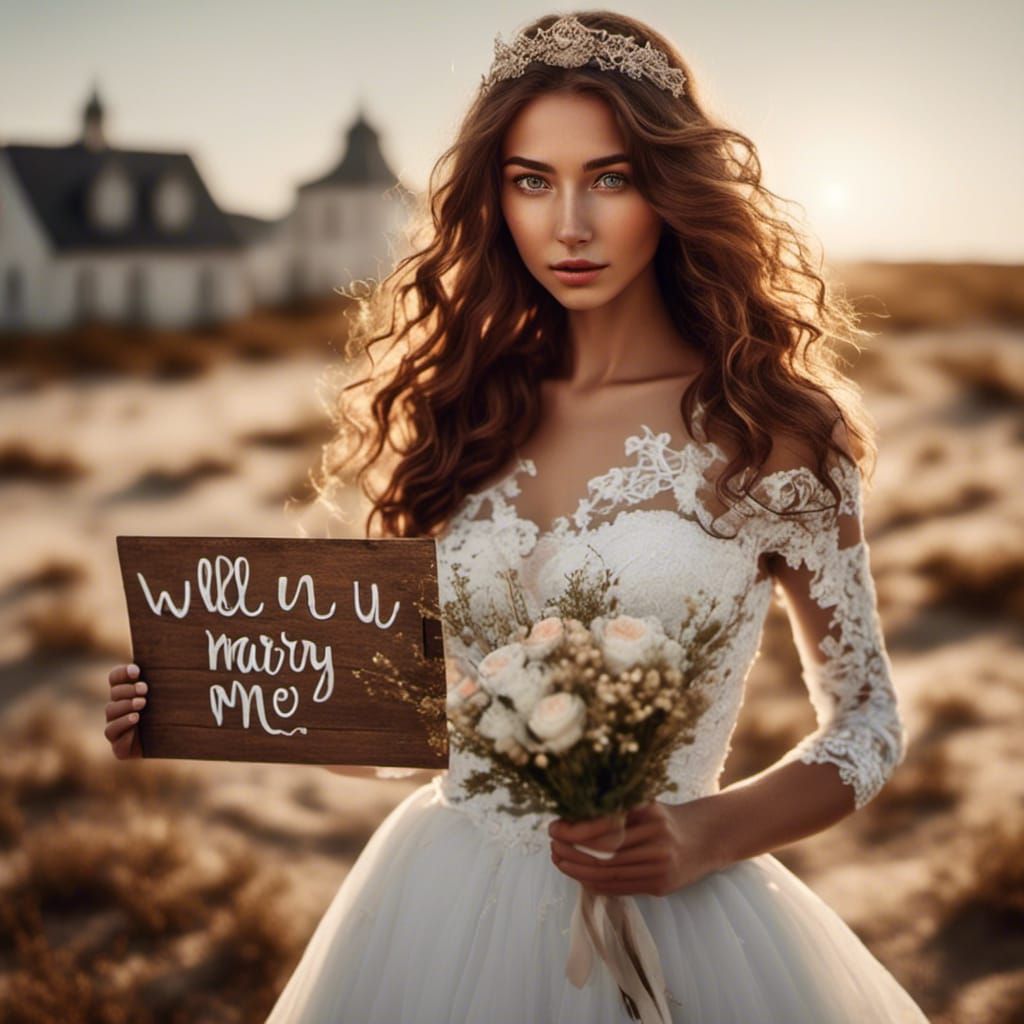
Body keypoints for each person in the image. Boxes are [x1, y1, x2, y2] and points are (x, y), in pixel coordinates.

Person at [106, 11, 932, 1022]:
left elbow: (866, 723)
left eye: (610, 178)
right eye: (531, 181)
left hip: (675, 917)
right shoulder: (462, 413)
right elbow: (420, 728)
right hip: (439, 900)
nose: (568, 224)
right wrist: (199, 697)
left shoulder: (771, 433)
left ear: (671, 186)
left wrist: (704, 835)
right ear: (495, 198)